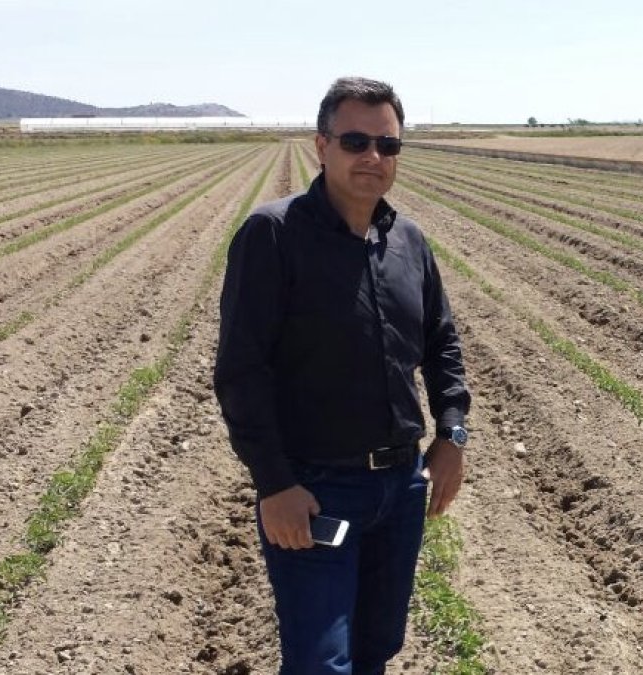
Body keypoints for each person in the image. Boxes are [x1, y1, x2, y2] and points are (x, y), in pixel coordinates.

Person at [213, 76, 471, 675]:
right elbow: (241, 372)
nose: (373, 157)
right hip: (314, 491)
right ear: (322, 145)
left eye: (388, 145)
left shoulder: (408, 240)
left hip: (400, 487)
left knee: (376, 650)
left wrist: (452, 434)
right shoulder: (273, 236)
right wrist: (274, 484)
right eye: (356, 142)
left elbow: (442, 344)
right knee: (320, 663)